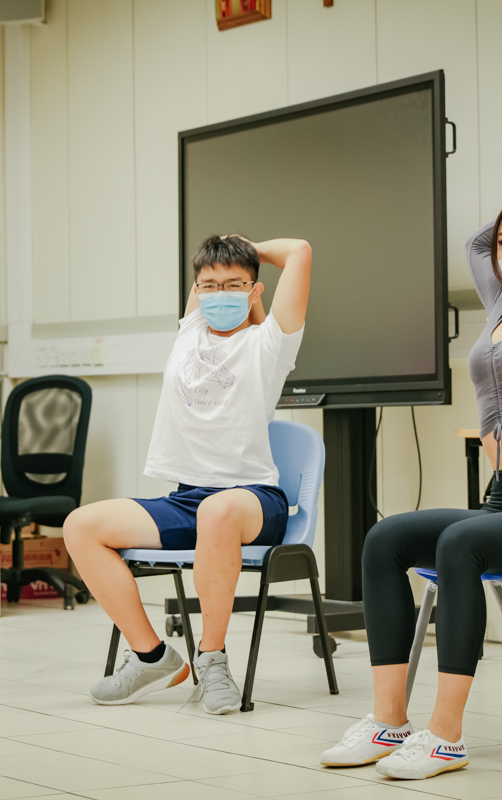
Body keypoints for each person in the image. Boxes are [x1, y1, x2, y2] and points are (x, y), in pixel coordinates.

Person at [320, 189, 502, 779]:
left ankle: (446, 737)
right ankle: (388, 720)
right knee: (385, 539)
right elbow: (477, 246)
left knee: (459, 543)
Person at [64, 234, 311, 714]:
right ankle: (152, 657)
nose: (220, 294)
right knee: (80, 526)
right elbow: (206, 286)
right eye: (210, 286)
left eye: (234, 285)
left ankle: (212, 660)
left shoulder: (270, 344)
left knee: (217, 512)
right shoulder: (190, 330)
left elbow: (299, 251)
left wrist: (246, 248)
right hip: (187, 499)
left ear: (255, 291)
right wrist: (221, 270)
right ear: (196, 292)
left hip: (252, 499)